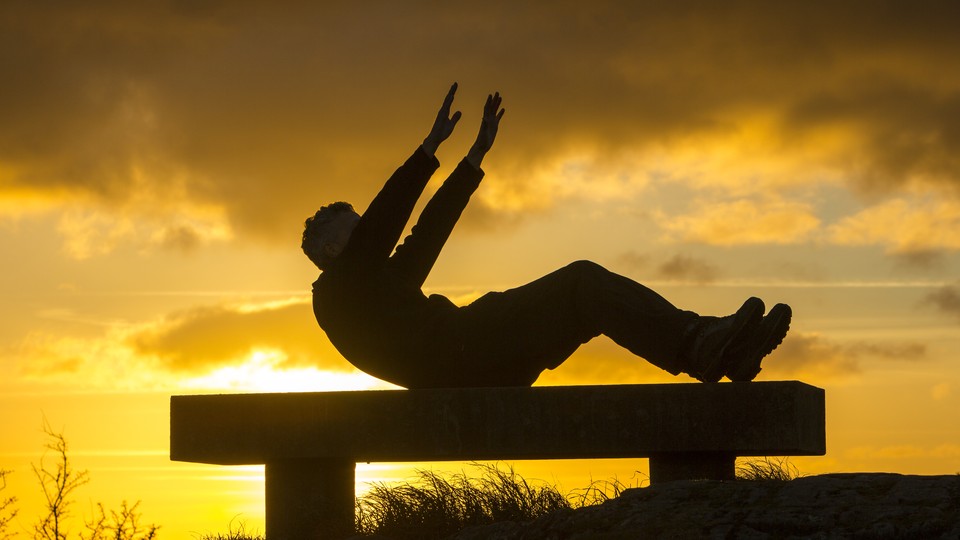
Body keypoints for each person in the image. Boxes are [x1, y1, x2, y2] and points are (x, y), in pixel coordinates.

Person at [302, 83, 791, 389]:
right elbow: (385, 227)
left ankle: (719, 349)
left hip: (476, 359)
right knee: (580, 283)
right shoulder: (338, 294)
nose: (367, 227)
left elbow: (426, 235)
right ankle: (702, 343)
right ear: (330, 249)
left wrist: (472, 159)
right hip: (467, 352)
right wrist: (427, 150)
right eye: (354, 227)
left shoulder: (378, 283)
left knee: (586, 299)